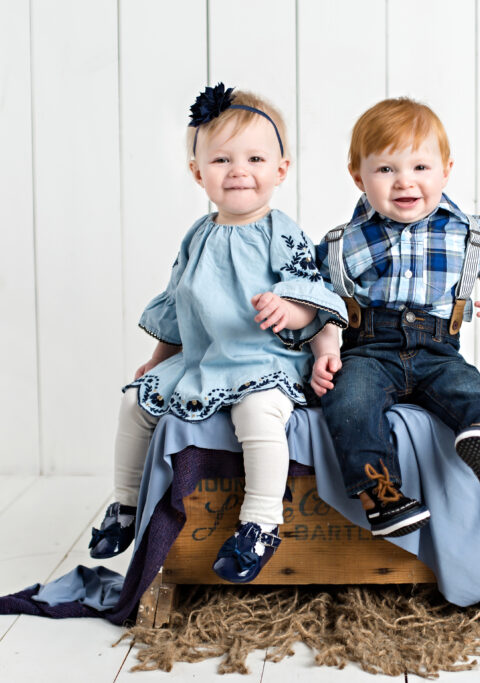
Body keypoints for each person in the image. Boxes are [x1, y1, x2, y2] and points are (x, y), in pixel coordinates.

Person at [89, 83, 347, 584]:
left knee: (259, 417)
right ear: (198, 172)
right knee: (134, 401)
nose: (239, 171)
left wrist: (286, 310)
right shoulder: (198, 234)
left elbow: (312, 298)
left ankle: (260, 523)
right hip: (204, 360)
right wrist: (159, 356)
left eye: (254, 158)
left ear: (281, 170)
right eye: (222, 160)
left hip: (263, 359)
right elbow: (179, 303)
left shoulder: (279, 231)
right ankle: (124, 505)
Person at [310, 97, 480, 538]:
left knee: (467, 388)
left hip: (437, 350)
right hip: (369, 349)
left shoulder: (467, 231)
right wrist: (327, 348)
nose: (404, 182)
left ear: (446, 169)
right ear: (358, 177)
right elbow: (323, 301)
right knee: (348, 402)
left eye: (420, 168)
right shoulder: (343, 243)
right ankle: (381, 495)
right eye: (386, 169)